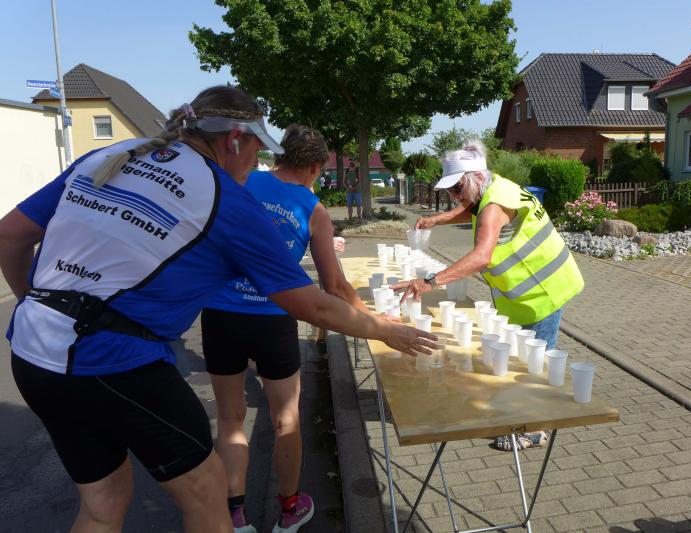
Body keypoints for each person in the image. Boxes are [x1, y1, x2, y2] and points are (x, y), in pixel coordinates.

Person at [0, 85, 433, 533]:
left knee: (102, 503)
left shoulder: (110, 155)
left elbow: (9, 236)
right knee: (207, 491)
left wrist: (36, 305)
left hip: (31, 350)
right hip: (113, 359)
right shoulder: (223, 196)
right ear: (234, 140)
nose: (255, 161)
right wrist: (386, 330)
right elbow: (313, 306)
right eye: (256, 149)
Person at [201, 124, 371, 532]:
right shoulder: (313, 209)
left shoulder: (240, 181)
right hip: (275, 316)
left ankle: (236, 515)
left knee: (230, 419)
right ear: (315, 167)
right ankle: (290, 508)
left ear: (279, 155)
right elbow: (335, 286)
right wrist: (374, 322)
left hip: (221, 313)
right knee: (286, 419)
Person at [394, 139, 584, 452]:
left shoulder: (494, 204)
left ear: (478, 177)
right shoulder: (494, 190)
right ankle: (516, 417)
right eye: (450, 191)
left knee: (533, 365)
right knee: (520, 359)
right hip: (530, 291)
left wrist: (430, 281)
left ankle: (535, 429)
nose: (455, 196)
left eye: (458, 188)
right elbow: (473, 210)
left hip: (543, 291)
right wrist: (437, 219)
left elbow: (482, 256)